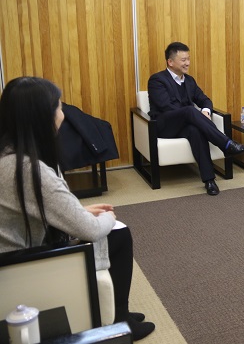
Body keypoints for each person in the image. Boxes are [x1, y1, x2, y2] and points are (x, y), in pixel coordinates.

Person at [0, 77, 155, 340]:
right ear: (42, 117)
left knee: (113, 232)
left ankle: (122, 313)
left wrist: (80, 210)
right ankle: (120, 321)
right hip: (23, 265)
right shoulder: (29, 170)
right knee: (118, 232)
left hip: (15, 257)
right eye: (59, 107)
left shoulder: (8, 154)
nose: (63, 113)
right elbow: (90, 230)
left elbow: (43, 206)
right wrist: (108, 216)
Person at [148, 42, 244, 195]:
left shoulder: (189, 81)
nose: (187, 63)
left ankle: (209, 180)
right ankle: (226, 144)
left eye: (188, 59)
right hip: (165, 126)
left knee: (195, 131)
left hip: (185, 125)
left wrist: (205, 111)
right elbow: (166, 107)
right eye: (183, 60)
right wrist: (193, 115)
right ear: (170, 62)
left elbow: (204, 100)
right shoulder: (157, 80)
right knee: (190, 111)